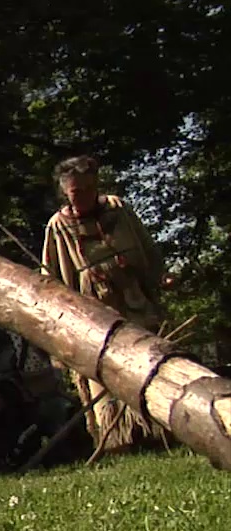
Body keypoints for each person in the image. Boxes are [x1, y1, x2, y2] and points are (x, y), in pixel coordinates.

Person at [40, 155, 169, 453]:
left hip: (135, 304)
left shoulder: (117, 208)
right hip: (94, 315)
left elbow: (147, 250)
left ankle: (160, 434)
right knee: (104, 376)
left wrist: (156, 280)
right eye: (76, 192)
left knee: (146, 365)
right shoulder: (59, 226)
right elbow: (52, 278)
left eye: (88, 189)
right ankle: (118, 441)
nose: (83, 196)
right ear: (66, 193)